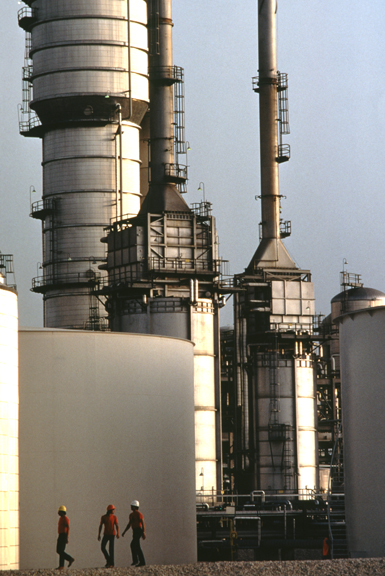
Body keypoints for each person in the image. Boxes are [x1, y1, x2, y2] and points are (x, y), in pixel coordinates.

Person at [122, 500, 146, 566]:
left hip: (138, 530)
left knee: (135, 545)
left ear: (134, 507)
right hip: (135, 531)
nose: (131, 507)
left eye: (132, 506)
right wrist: (124, 532)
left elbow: (143, 523)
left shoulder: (139, 514)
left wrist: (143, 532)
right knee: (134, 545)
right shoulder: (131, 515)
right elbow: (129, 524)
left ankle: (140, 562)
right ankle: (137, 561)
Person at [56, 505, 75, 570]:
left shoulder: (65, 518)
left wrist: (67, 537)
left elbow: (68, 527)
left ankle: (63, 564)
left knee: (61, 550)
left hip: (64, 535)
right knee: (59, 550)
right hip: (60, 535)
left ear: (62, 512)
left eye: (59, 511)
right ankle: (65, 562)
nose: (58, 512)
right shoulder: (61, 518)